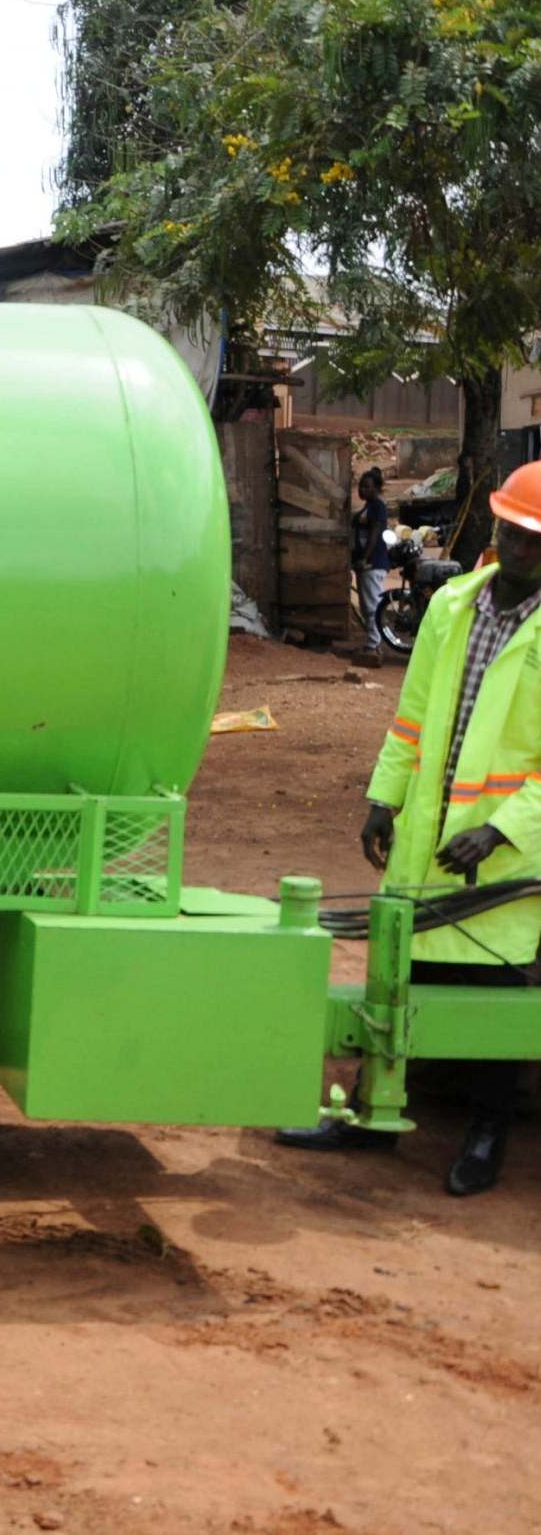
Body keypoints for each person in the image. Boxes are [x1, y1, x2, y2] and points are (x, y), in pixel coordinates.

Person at [279, 459, 541, 1195]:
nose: (522, 549)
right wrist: (380, 799)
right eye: (514, 533)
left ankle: (487, 1135)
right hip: (426, 840)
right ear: (496, 524)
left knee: (490, 1002)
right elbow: (413, 721)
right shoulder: (450, 606)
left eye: (536, 540)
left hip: (499, 859)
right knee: (399, 979)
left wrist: (499, 831)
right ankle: (368, 1111)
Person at [352, 467, 391, 663]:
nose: (362, 489)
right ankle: (372, 641)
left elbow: (375, 534)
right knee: (367, 603)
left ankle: (374, 643)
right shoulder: (368, 507)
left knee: (372, 604)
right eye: (361, 486)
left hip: (373, 563)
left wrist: (365, 558)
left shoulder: (377, 507)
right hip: (366, 563)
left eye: (367, 486)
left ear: (376, 489)